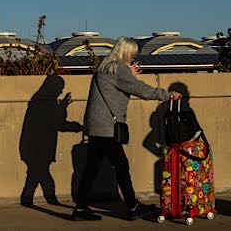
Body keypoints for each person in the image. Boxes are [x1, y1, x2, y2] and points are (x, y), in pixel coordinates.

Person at [72, 37, 181, 221]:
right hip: (107, 127)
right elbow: (141, 90)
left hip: (94, 126)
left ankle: (81, 209)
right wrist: (167, 95)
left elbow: (119, 87)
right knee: (121, 165)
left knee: (91, 168)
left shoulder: (104, 67)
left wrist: (130, 75)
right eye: (133, 54)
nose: (134, 57)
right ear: (126, 52)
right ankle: (132, 206)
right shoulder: (120, 69)